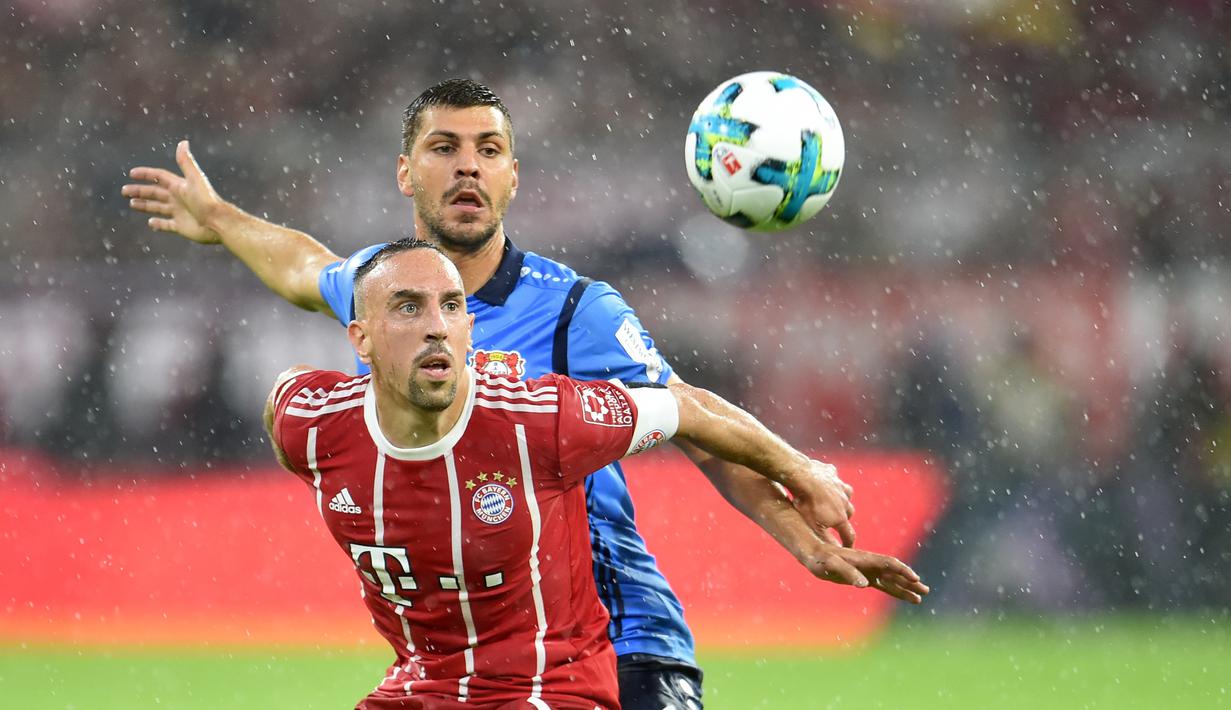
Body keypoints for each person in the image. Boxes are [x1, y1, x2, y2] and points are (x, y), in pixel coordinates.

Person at [125, 79, 928, 708]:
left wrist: (803, 534)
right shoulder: (385, 289)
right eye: (444, 147)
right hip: (468, 649)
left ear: (512, 176)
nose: (466, 164)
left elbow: (692, 420)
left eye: (488, 149)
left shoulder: (578, 310)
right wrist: (221, 217)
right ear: (407, 172)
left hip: (616, 639)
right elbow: (301, 266)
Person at [268, 239, 915, 708]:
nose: (435, 326)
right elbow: (297, 266)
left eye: (449, 308)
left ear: (471, 327)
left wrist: (802, 476)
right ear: (360, 337)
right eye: (409, 309)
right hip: (421, 686)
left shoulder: (541, 418)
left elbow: (685, 408)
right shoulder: (308, 420)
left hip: (550, 685)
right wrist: (217, 215)